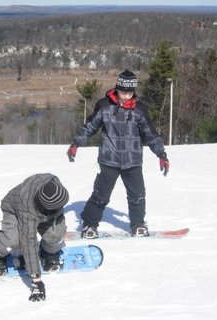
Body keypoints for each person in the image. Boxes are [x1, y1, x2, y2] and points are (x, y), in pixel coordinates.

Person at [67, 69, 170, 238]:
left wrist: (161, 154)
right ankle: (90, 224)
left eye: (130, 93)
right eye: (123, 92)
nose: (126, 96)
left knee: (137, 195)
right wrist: (76, 144)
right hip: (108, 160)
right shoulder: (104, 106)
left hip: (133, 161)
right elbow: (90, 127)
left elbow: (150, 133)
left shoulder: (139, 109)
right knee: (100, 195)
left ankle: (138, 224)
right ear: (117, 88)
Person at [0, 174, 69, 302]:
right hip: (14, 209)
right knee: (15, 240)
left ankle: (48, 252)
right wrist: (36, 279)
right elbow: (29, 242)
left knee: (55, 235)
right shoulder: (27, 208)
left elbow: (57, 208)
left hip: (47, 211)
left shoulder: (55, 186)